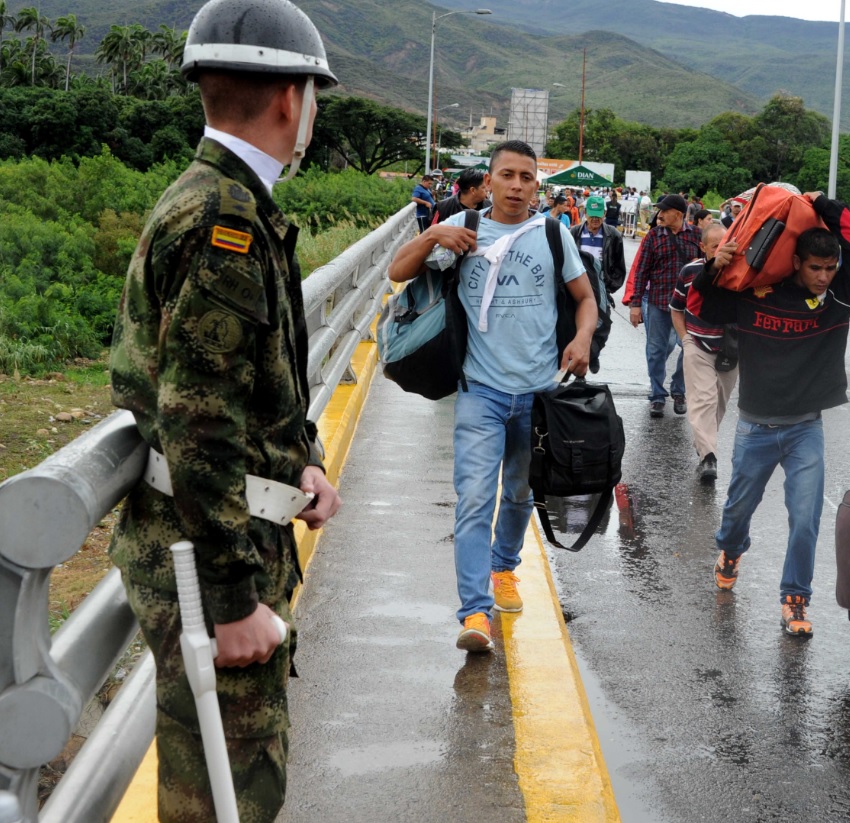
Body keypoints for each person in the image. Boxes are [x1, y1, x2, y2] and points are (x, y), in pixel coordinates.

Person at [107, 1, 343, 818]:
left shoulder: (225, 200)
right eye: (314, 95)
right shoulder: (223, 222)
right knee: (226, 791)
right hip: (207, 556)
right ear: (291, 101)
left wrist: (302, 457)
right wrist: (235, 596)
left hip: (219, 534)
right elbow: (199, 418)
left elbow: (251, 382)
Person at [387, 140, 597, 651]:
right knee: (475, 498)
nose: (517, 185)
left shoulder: (552, 233)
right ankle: (474, 613)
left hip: (539, 393)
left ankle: (504, 566)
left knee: (522, 493)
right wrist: (435, 231)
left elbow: (585, 298)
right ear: (490, 180)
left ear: (536, 186)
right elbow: (397, 271)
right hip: (480, 391)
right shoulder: (465, 229)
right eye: (507, 175)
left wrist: (582, 337)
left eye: (527, 177)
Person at [693, 191, 850, 637]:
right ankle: (730, 551)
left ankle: (795, 600)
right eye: (815, 267)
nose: (823, 276)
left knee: (806, 519)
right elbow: (705, 308)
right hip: (755, 427)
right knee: (737, 513)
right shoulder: (757, 294)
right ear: (795, 262)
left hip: (805, 430)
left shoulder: (838, 298)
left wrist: (826, 205)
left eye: (830, 268)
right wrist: (713, 268)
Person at [670, 221, 736, 482]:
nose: (720, 251)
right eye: (714, 247)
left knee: (718, 406)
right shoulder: (691, 272)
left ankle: (704, 448)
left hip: (731, 350)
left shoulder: (740, 273)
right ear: (703, 248)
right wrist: (685, 338)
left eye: (724, 245)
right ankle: (710, 458)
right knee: (703, 401)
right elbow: (676, 307)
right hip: (697, 345)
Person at [628, 193, 699, 417]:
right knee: (656, 350)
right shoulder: (653, 236)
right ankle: (657, 395)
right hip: (659, 303)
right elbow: (642, 271)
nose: (660, 214)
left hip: (688, 306)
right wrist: (635, 304)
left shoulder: (697, 235)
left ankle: (679, 390)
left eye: (664, 211)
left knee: (690, 348)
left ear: (678, 214)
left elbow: (707, 268)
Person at [571, 194, 627, 294]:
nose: (595, 219)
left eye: (598, 215)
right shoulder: (574, 232)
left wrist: (608, 288)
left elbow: (620, 267)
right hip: (578, 289)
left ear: (605, 213)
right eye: (592, 215)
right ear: (585, 212)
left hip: (602, 289)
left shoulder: (613, 235)